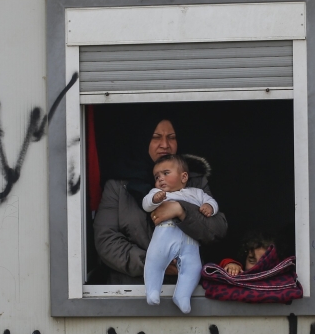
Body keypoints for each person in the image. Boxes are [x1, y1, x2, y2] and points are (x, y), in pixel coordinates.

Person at [93, 118, 228, 284]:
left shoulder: (193, 181)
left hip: (187, 287)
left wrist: (181, 210)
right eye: (156, 137)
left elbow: (217, 229)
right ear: (142, 140)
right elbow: (106, 240)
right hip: (132, 290)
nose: (165, 144)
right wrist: (152, 263)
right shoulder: (118, 186)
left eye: (171, 137)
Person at [142, 155, 219, 313]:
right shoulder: (158, 193)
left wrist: (209, 207)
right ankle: (152, 291)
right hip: (164, 237)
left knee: (193, 268)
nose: (160, 179)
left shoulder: (197, 193)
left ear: (184, 177)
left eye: (166, 173)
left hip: (190, 241)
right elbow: (146, 204)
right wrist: (154, 199)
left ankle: (182, 296)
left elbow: (212, 202)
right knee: (154, 261)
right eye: (157, 177)